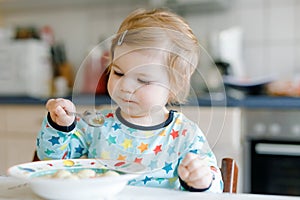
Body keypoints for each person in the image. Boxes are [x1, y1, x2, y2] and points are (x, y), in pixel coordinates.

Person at [36, 8, 223, 192]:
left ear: (175, 86)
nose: (124, 86)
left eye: (143, 80)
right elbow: (55, 162)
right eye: (118, 72)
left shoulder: (185, 134)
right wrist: (60, 126)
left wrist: (201, 181)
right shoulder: (96, 123)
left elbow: (214, 188)